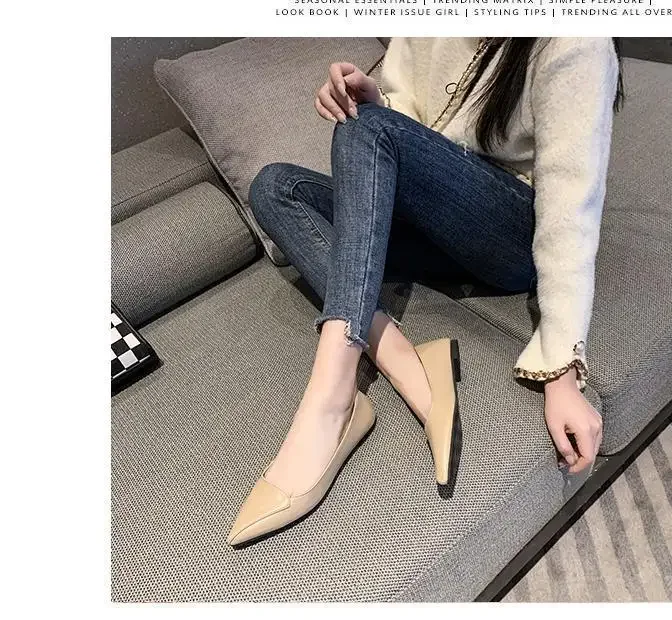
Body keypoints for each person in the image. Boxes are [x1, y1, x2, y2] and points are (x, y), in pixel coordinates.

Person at [226, 37, 624, 547]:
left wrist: (561, 373)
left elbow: (571, 209)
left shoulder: (575, 38)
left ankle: (331, 398)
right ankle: (401, 358)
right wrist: (375, 101)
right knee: (274, 187)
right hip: (434, 219)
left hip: (509, 235)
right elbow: (415, 126)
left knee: (367, 129)